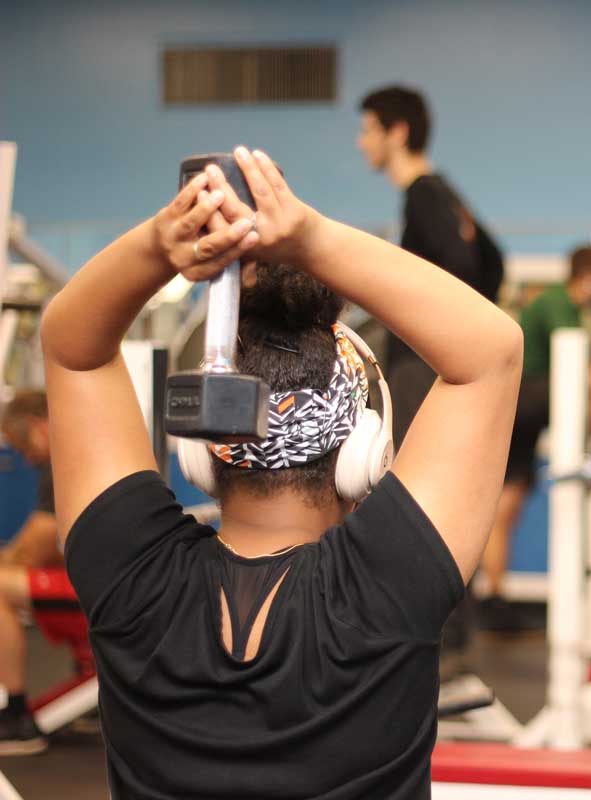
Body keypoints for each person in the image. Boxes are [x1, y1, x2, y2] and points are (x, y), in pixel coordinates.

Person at [41, 146, 521, 798]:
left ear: (202, 449)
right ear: (365, 448)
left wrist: (162, 243)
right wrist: (310, 239)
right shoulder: (386, 583)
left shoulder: (134, 578)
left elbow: (72, 350)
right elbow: (490, 350)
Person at [477, 245, 591, 631]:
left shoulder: (571, 307)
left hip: (528, 409)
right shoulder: (558, 302)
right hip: (523, 399)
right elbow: (579, 362)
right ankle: (579, 447)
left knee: (506, 507)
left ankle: (494, 599)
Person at [356, 84, 504, 445]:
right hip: (432, 364)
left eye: (369, 130)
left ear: (398, 132)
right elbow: (493, 263)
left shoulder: (425, 195)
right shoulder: (441, 193)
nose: (362, 142)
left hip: (422, 367)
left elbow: (465, 266)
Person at [0, 390, 65, 754]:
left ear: (38, 426)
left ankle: (17, 716)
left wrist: (7, 561)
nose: (25, 457)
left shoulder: (65, 463)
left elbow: (35, 547)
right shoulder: (67, 461)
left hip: (105, 585)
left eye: (23, 443)